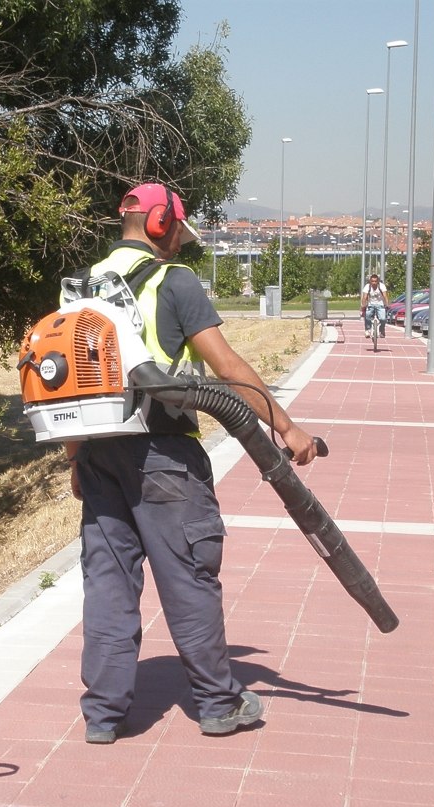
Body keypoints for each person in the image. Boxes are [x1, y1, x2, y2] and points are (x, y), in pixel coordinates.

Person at [64, 182, 319, 744]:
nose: (180, 238)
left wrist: (75, 459)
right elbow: (227, 368)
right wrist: (287, 427)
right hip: (163, 459)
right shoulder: (172, 282)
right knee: (189, 579)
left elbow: (74, 386)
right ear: (161, 223)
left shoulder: (84, 287)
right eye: (178, 227)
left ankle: (103, 716)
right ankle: (219, 703)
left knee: (108, 587)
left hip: (100, 453)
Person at [362, 273, 388, 337]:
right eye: (372, 281)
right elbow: (364, 297)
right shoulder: (367, 286)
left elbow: (385, 296)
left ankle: (382, 330)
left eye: (375, 281)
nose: (374, 283)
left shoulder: (382, 286)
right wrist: (363, 306)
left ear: (378, 281)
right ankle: (368, 330)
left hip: (380, 304)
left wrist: (386, 304)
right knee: (367, 316)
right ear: (370, 281)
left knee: (383, 319)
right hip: (371, 305)